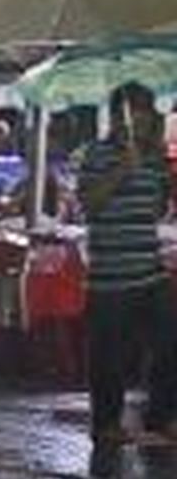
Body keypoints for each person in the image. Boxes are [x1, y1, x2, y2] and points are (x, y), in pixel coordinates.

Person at [78, 81, 177, 445]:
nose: (131, 122)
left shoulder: (154, 160)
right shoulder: (97, 154)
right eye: (123, 114)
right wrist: (123, 169)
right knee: (109, 355)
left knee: (170, 341)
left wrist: (165, 184)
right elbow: (89, 204)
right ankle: (106, 424)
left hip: (149, 270)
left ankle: (160, 417)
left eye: (139, 114)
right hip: (110, 276)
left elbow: (155, 209)